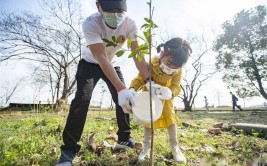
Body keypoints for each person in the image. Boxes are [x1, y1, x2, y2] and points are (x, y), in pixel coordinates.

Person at [55, 0, 150, 165]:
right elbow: (101, 57)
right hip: (90, 63)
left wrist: (149, 80)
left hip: (112, 64)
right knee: (82, 99)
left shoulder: (130, 24)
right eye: (110, 10)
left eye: (119, 11)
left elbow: (137, 54)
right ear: (98, 6)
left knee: (125, 100)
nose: (115, 15)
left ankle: (124, 139)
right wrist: (121, 88)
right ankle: (69, 149)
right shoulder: (91, 23)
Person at [129, 37, 192, 164]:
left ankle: (175, 147)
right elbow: (140, 78)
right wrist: (131, 89)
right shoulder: (152, 63)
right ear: (163, 52)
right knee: (149, 121)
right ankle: (146, 147)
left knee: (170, 120)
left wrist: (170, 92)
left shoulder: (177, 72)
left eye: (175, 66)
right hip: (149, 96)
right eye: (169, 63)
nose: (171, 68)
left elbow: (176, 86)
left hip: (165, 99)